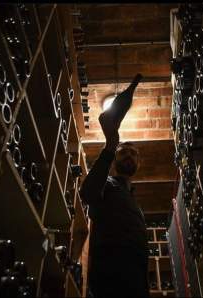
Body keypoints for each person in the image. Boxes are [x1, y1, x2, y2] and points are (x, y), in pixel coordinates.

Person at [79, 105, 149, 298]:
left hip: (137, 275)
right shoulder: (107, 184)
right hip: (110, 272)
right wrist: (110, 145)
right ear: (114, 160)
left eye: (133, 153)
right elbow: (87, 193)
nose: (129, 155)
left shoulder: (134, 202)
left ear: (139, 163)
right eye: (123, 152)